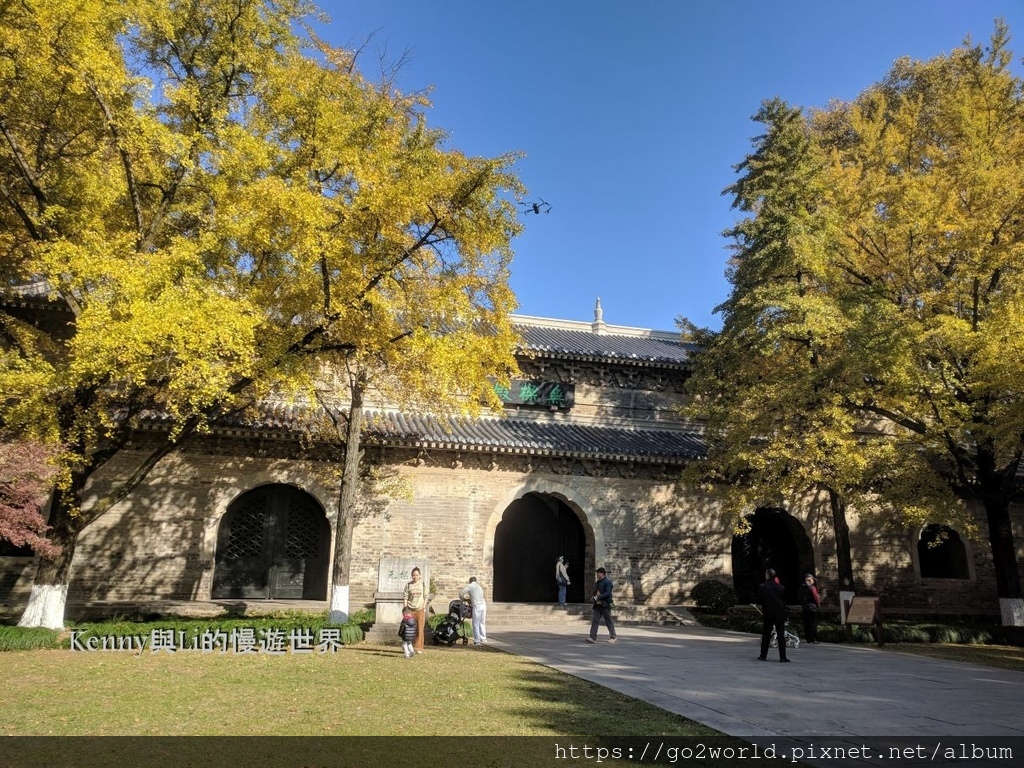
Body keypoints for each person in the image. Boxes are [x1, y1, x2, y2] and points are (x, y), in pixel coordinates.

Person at [758, 567, 790, 662]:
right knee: (780, 635)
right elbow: (784, 601)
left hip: (768, 613)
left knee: (766, 634)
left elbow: (760, 599)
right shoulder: (781, 587)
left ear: (767, 575)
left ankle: (763, 655)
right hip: (780, 613)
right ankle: (783, 657)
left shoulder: (763, 587)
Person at [586, 566, 617, 644]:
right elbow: (595, 592)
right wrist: (593, 597)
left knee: (608, 621)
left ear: (602, 573)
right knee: (595, 621)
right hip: (597, 605)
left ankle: (613, 636)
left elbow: (607, 593)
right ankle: (592, 637)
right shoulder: (597, 582)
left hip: (605, 604)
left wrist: (598, 597)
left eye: (598, 573)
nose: (597, 574)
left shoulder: (608, 582)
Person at [403, 567, 427, 654]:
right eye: (413, 575)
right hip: (410, 610)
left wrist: (424, 607)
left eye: (416, 575)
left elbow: (426, 597)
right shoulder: (409, 585)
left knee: (420, 629)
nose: (415, 577)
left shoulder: (423, 585)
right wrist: (405, 608)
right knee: (408, 629)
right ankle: (407, 646)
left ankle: (418, 647)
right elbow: (405, 597)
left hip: (420, 609)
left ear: (420, 576)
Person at [458, 576, 488, 646]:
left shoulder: (470, 586)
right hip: (483, 605)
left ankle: (477, 641)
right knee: (482, 622)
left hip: (477, 606)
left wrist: (464, 599)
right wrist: (470, 599)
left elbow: (461, 593)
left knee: (475, 623)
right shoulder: (479, 587)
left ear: (470, 581)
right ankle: (483, 638)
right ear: (476, 581)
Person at [801, 573, 821, 644]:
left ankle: (808, 638)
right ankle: (813, 638)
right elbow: (816, 597)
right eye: (812, 579)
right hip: (812, 607)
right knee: (813, 623)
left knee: (806, 623)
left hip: (805, 607)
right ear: (810, 579)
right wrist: (818, 604)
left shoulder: (802, 587)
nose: (813, 581)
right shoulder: (812, 588)